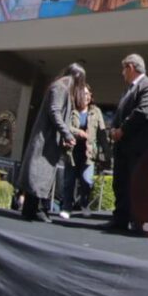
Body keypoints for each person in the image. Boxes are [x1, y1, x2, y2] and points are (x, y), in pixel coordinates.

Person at [18, 63, 83, 223]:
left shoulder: (59, 86)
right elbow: (55, 111)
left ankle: (31, 209)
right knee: (39, 175)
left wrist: (67, 134)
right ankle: (37, 209)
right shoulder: (61, 87)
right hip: (45, 141)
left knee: (39, 175)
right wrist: (67, 134)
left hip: (48, 140)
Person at [108, 54, 148, 233]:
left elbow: (143, 111)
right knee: (120, 183)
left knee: (137, 184)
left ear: (130, 67)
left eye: (123, 69)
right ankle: (120, 219)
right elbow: (119, 113)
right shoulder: (128, 89)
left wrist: (122, 130)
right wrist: (113, 129)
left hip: (137, 146)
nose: (122, 73)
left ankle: (137, 222)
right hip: (122, 147)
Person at [60, 85, 106, 219]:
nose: (85, 97)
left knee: (87, 181)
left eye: (87, 94)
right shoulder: (71, 110)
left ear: (91, 96)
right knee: (69, 181)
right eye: (82, 94)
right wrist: (78, 132)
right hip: (72, 151)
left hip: (88, 153)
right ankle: (67, 207)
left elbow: (102, 133)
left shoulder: (96, 111)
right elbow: (65, 126)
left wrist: (106, 152)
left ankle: (84, 205)